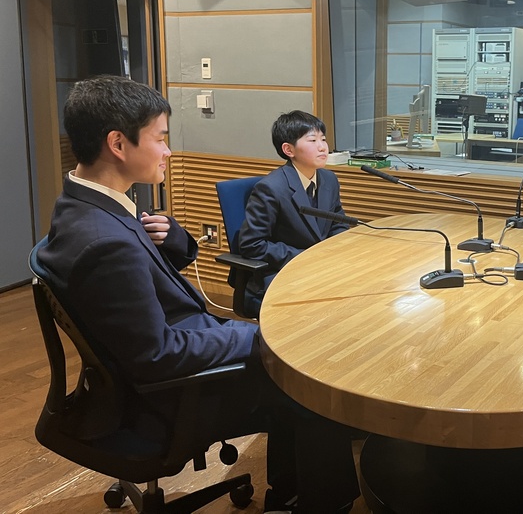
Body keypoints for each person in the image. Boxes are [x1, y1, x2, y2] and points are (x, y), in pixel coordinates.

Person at [37, 75, 360, 514]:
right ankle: (324, 504)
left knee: (299, 373)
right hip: (170, 394)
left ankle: (286, 495)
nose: (168, 151)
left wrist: (172, 237)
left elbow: (146, 276)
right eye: (160, 138)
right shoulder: (104, 242)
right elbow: (158, 355)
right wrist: (257, 338)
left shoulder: (86, 205)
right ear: (118, 143)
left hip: (169, 354)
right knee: (314, 388)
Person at [236, 110, 348, 317]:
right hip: (282, 272)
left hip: (320, 267)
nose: (322, 147)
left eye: (323, 139)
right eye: (312, 140)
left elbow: (338, 223)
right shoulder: (271, 188)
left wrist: (335, 251)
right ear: (288, 149)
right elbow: (252, 244)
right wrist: (305, 258)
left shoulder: (329, 179)